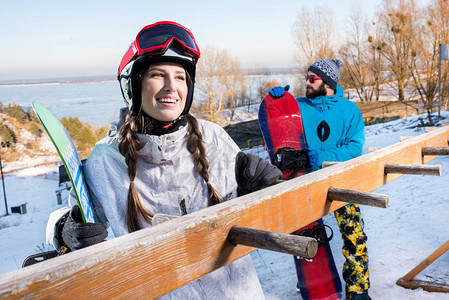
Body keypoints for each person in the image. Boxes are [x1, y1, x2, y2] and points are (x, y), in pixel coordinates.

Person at [46, 21, 283, 299]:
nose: (172, 87)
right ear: (133, 85)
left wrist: (261, 193)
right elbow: (81, 216)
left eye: (181, 77)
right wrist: (64, 231)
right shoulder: (107, 159)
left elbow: (252, 223)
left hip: (237, 292)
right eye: (158, 75)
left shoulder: (213, 138)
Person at [269, 59, 370, 300]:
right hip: (306, 182)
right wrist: (276, 102)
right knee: (307, 236)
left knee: (354, 235)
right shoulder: (298, 106)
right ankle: (314, 282)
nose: (306, 82)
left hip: (341, 181)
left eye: (312, 79)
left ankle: (357, 290)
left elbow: (354, 149)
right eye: (306, 77)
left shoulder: (349, 111)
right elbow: (275, 125)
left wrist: (321, 156)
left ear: (328, 82)